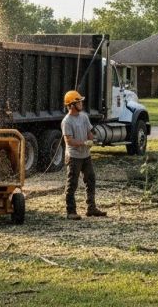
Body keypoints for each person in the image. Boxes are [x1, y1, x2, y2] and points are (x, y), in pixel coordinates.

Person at [61, 89, 107, 220]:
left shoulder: (84, 116)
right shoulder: (67, 121)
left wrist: (91, 140)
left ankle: (91, 208)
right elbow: (68, 140)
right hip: (74, 156)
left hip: (85, 155)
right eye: (78, 102)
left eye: (81, 101)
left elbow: (90, 131)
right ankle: (71, 211)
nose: (81, 103)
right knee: (72, 184)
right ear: (71, 105)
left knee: (91, 179)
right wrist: (83, 143)